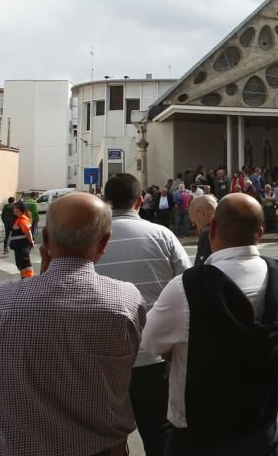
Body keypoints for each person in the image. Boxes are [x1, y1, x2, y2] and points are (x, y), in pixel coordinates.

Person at [0, 193, 144, 456]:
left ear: (46, 241)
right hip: (97, 448)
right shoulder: (125, 300)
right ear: (104, 243)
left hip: (12, 449)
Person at [142, 193, 278, 456]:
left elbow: (149, 341)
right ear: (260, 233)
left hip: (201, 436)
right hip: (262, 427)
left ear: (212, 228)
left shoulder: (187, 287)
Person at [96, 173, 191, 455]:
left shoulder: (91, 239)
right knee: (159, 436)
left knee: (108, 440)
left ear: (105, 201)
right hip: (154, 358)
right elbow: (188, 289)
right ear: (140, 201)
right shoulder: (163, 236)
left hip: (103, 360)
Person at [7, 201, 35, 279]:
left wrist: (31, 242)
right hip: (20, 246)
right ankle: (24, 281)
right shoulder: (19, 218)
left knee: (25, 264)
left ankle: (29, 281)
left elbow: (27, 232)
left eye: (15, 208)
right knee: (21, 264)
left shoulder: (22, 219)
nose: (13, 209)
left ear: (18, 209)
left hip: (22, 246)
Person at [190, 194, 218, 266]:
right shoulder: (233, 227)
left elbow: (199, 271)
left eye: (194, 223)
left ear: (200, 213)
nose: (197, 230)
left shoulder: (208, 234)